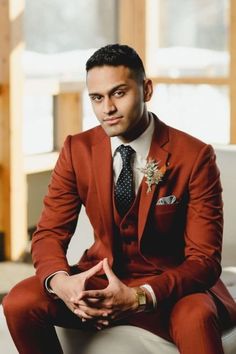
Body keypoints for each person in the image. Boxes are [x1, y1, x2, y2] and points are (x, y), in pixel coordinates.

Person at [3, 44, 236, 354]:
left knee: (197, 316)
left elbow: (203, 260)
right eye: (97, 98)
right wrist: (62, 282)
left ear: (147, 89)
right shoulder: (77, 149)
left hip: (171, 290)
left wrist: (139, 296)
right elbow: (49, 233)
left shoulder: (194, 156)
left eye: (119, 93)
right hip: (102, 278)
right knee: (20, 300)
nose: (107, 109)